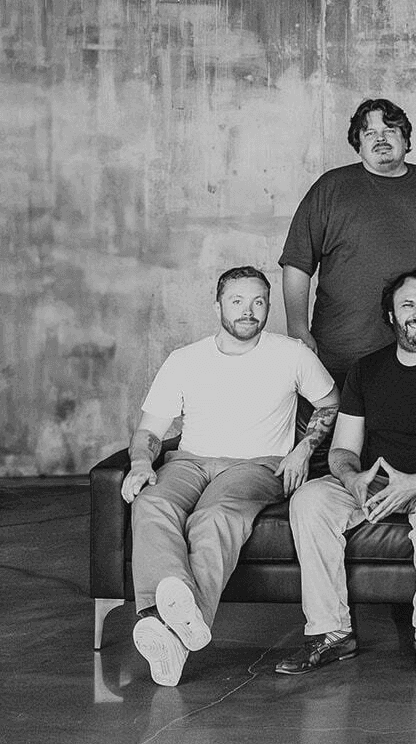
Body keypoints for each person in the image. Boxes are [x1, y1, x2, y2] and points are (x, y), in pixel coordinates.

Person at [121, 266, 338, 686]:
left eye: (258, 302)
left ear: (269, 307)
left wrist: (304, 448)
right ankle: (173, 629)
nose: (249, 311)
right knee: (151, 502)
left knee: (214, 515)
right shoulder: (185, 359)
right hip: (189, 461)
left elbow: (331, 403)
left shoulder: (291, 353)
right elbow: (149, 431)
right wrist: (142, 463)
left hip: (256, 465)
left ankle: (162, 624)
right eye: (237, 301)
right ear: (218, 304)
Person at [274, 269, 416, 677]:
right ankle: (331, 633)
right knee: (310, 498)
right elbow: (342, 450)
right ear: (390, 315)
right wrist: (352, 477)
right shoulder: (366, 370)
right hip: (376, 483)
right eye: (407, 305)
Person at [279, 97, 416, 387]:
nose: (381, 138)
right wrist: (297, 328)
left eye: (390, 130)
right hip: (343, 354)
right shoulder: (330, 189)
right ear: (358, 143)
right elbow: (297, 263)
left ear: (406, 138)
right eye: (369, 133)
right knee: (344, 432)